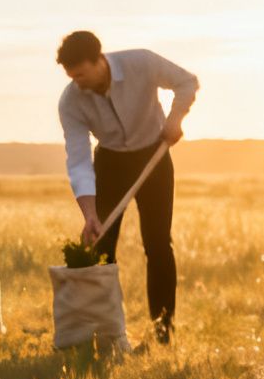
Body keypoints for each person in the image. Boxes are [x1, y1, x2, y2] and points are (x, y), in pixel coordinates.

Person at [55, 31, 199, 344]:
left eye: (81, 74)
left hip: (154, 156)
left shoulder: (142, 63)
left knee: (158, 245)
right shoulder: (70, 101)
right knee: (103, 248)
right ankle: (108, 333)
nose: (76, 82)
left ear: (99, 60)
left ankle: (163, 332)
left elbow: (187, 81)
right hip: (110, 163)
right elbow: (78, 159)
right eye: (71, 76)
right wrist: (89, 213)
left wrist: (175, 119)